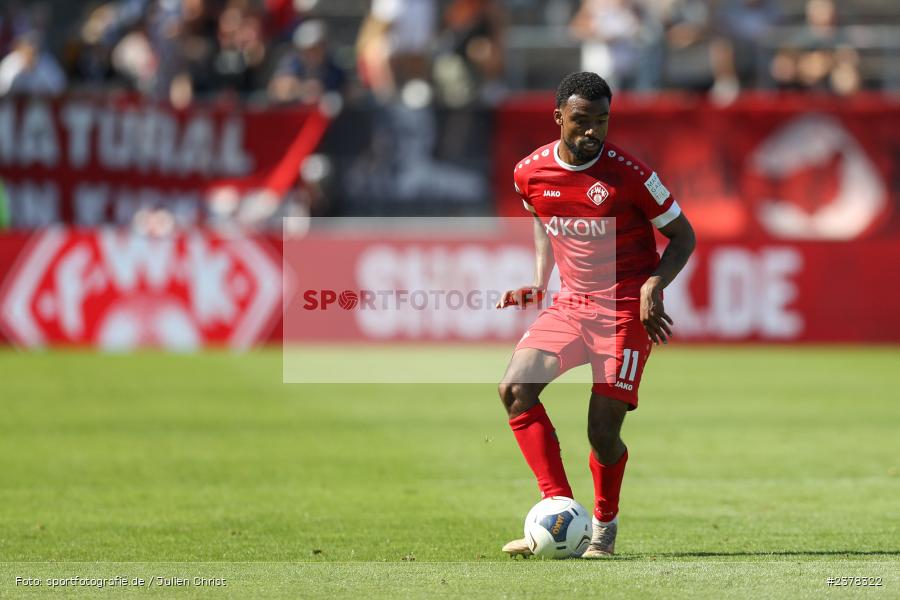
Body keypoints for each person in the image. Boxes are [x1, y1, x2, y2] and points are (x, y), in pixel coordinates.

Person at [496, 72, 695, 558]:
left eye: (601, 121)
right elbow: (543, 221)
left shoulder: (630, 175)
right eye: (582, 121)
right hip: (572, 303)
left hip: (625, 307)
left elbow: (683, 237)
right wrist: (541, 280)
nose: (592, 132)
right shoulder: (530, 172)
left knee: (602, 431)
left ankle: (603, 525)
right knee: (515, 390)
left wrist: (654, 282)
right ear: (558, 116)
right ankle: (557, 509)